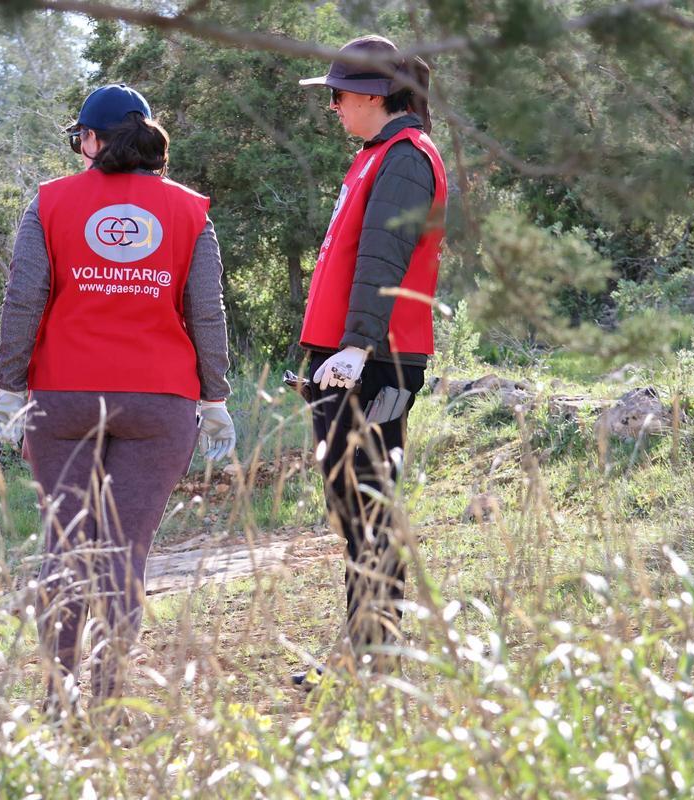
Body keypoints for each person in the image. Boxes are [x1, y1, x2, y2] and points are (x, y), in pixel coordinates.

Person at [0, 84, 235, 711]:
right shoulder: (189, 211)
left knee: (67, 546)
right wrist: (215, 398)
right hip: (160, 403)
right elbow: (205, 312)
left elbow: (23, 301)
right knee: (125, 552)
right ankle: (102, 700)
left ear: (95, 141)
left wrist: (10, 387)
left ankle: (59, 700)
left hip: (64, 398)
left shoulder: (49, 203)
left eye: (80, 139)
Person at [293, 35, 448, 686]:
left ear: (371, 96)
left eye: (337, 95)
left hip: (376, 362)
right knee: (355, 511)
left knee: (367, 511)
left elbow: (383, 259)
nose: (332, 107)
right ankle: (368, 652)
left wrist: (357, 346)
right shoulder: (377, 156)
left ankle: (374, 660)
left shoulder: (405, 159)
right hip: (356, 358)